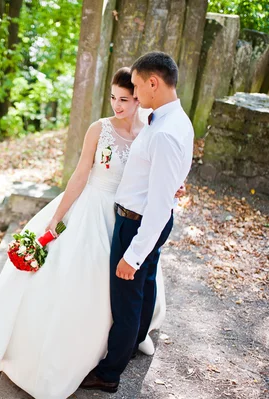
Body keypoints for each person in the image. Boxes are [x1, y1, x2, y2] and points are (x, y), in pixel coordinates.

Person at [0, 66, 175, 399]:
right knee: (76, 278)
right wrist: (57, 218)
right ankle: (63, 355)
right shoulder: (98, 130)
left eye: (125, 99)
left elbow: (155, 177)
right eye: (113, 98)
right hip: (89, 208)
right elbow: (80, 176)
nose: (117, 105)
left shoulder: (149, 132)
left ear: (139, 98)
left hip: (125, 217)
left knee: (124, 284)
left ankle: (115, 346)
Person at [80, 52, 194, 394]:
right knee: (144, 290)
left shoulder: (163, 132)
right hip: (147, 219)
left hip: (139, 223)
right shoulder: (173, 119)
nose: (136, 95)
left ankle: (110, 373)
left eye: (138, 88)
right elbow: (163, 178)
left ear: (154, 83)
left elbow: (159, 205)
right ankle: (134, 344)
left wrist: (134, 254)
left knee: (126, 297)